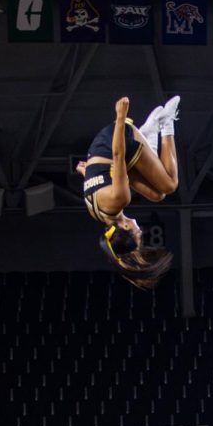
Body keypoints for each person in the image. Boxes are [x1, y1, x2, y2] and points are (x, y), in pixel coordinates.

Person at [78, 95, 176, 290]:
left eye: (137, 232)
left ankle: (166, 124)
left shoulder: (120, 199)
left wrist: (121, 117)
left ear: (125, 226)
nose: (140, 228)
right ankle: (148, 141)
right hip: (102, 156)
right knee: (157, 195)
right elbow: (94, 183)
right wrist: (84, 171)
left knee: (169, 185)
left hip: (117, 141)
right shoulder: (98, 214)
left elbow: (118, 155)